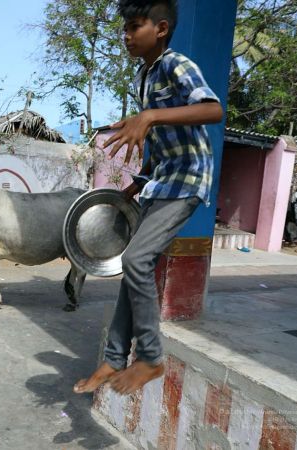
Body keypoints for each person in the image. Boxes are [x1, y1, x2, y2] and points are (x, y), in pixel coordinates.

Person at [73, 0, 223, 395]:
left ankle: (151, 357)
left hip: (188, 180)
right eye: (124, 28)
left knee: (135, 260)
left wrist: (150, 116)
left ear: (160, 28)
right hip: (163, 182)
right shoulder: (145, 76)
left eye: (134, 26)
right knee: (134, 271)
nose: (126, 35)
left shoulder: (176, 65)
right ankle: (114, 358)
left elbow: (213, 110)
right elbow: (160, 141)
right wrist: (137, 184)